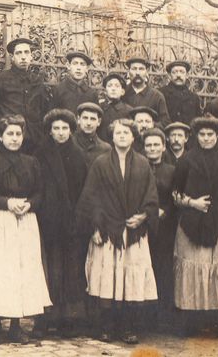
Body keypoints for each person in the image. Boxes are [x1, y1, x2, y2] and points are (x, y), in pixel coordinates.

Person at [76, 119, 159, 344]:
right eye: (118, 133)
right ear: (112, 137)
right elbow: (91, 197)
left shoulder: (143, 164)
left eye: (127, 133)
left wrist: (142, 217)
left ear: (134, 137)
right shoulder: (100, 163)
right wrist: (94, 227)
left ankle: (128, 327)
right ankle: (106, 326)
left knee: (129, 280)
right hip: (107, 230)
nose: (122, 136)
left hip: (133, 232)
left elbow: (151, 196)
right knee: (107, 278)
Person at [0, 114, 51, 345]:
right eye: (10, 134)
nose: (15, 138)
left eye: (18, 134)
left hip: (25, 221)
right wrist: (6, 203)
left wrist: (29, 204)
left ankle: (16, 326)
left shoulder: (31, 162)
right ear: (0, 136)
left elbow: (40, 192)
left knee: (22, 270)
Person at [172, 116, 218, 338]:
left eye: (210, 135)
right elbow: (175, 192)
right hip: (192, 224)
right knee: (194, 269)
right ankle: (193, 322)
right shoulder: (186, 160)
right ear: (196, 136)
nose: (206, 139)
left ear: (217, 136)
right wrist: (192, 203)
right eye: (202, 135)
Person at [34, 109, 89, 338]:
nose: (60, 132)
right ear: (49, 131)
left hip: (72, 221)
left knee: (72, 268)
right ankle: (48, 318)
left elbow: (85, 188)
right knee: (51, 268)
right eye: (56, 128)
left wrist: (78, 216)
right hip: (49, 219)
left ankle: (70, 318)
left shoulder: (78, 155)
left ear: (71, 130)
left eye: (65, 128)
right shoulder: (40, 153)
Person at [0, 37, 48, 153]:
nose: (23, 56)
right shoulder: (2, 79)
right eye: (18, 53)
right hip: (8, 140)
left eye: (26, 52)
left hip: (33, 144)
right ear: (12, 57)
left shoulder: (38, 82)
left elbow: (44, 111)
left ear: (31, 57)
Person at [142, 128, 177, 327]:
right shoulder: (138, 167)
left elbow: (175, 197)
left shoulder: (171, 171)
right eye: (148, 145)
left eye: (156, 144)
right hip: (143, 225)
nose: (152, 148)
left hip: (165, 227)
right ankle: (144, 317)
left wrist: (166, 210)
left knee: (162, 269)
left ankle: (163, 318)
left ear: (164, 147)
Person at [123, 57, 171, 126]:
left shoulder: (156, 96)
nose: (137, 73)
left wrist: (150, 124)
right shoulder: (122, 93)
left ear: (146, 72)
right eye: (134, 69)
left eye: (141, 69)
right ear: (128, 71)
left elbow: (165, 122)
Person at [74, 102, 112, 167]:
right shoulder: (70, 142)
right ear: (78, 119)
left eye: (93, 119)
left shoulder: (105, 149)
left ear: (99, 122)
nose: (88, 123)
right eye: (85, 118)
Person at [99, 73, 133, 142]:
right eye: (110, 86)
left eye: (117, 86)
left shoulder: (129, 110)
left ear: (122, 92)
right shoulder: (99, 108)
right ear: (105, 91)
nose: (113, 89)